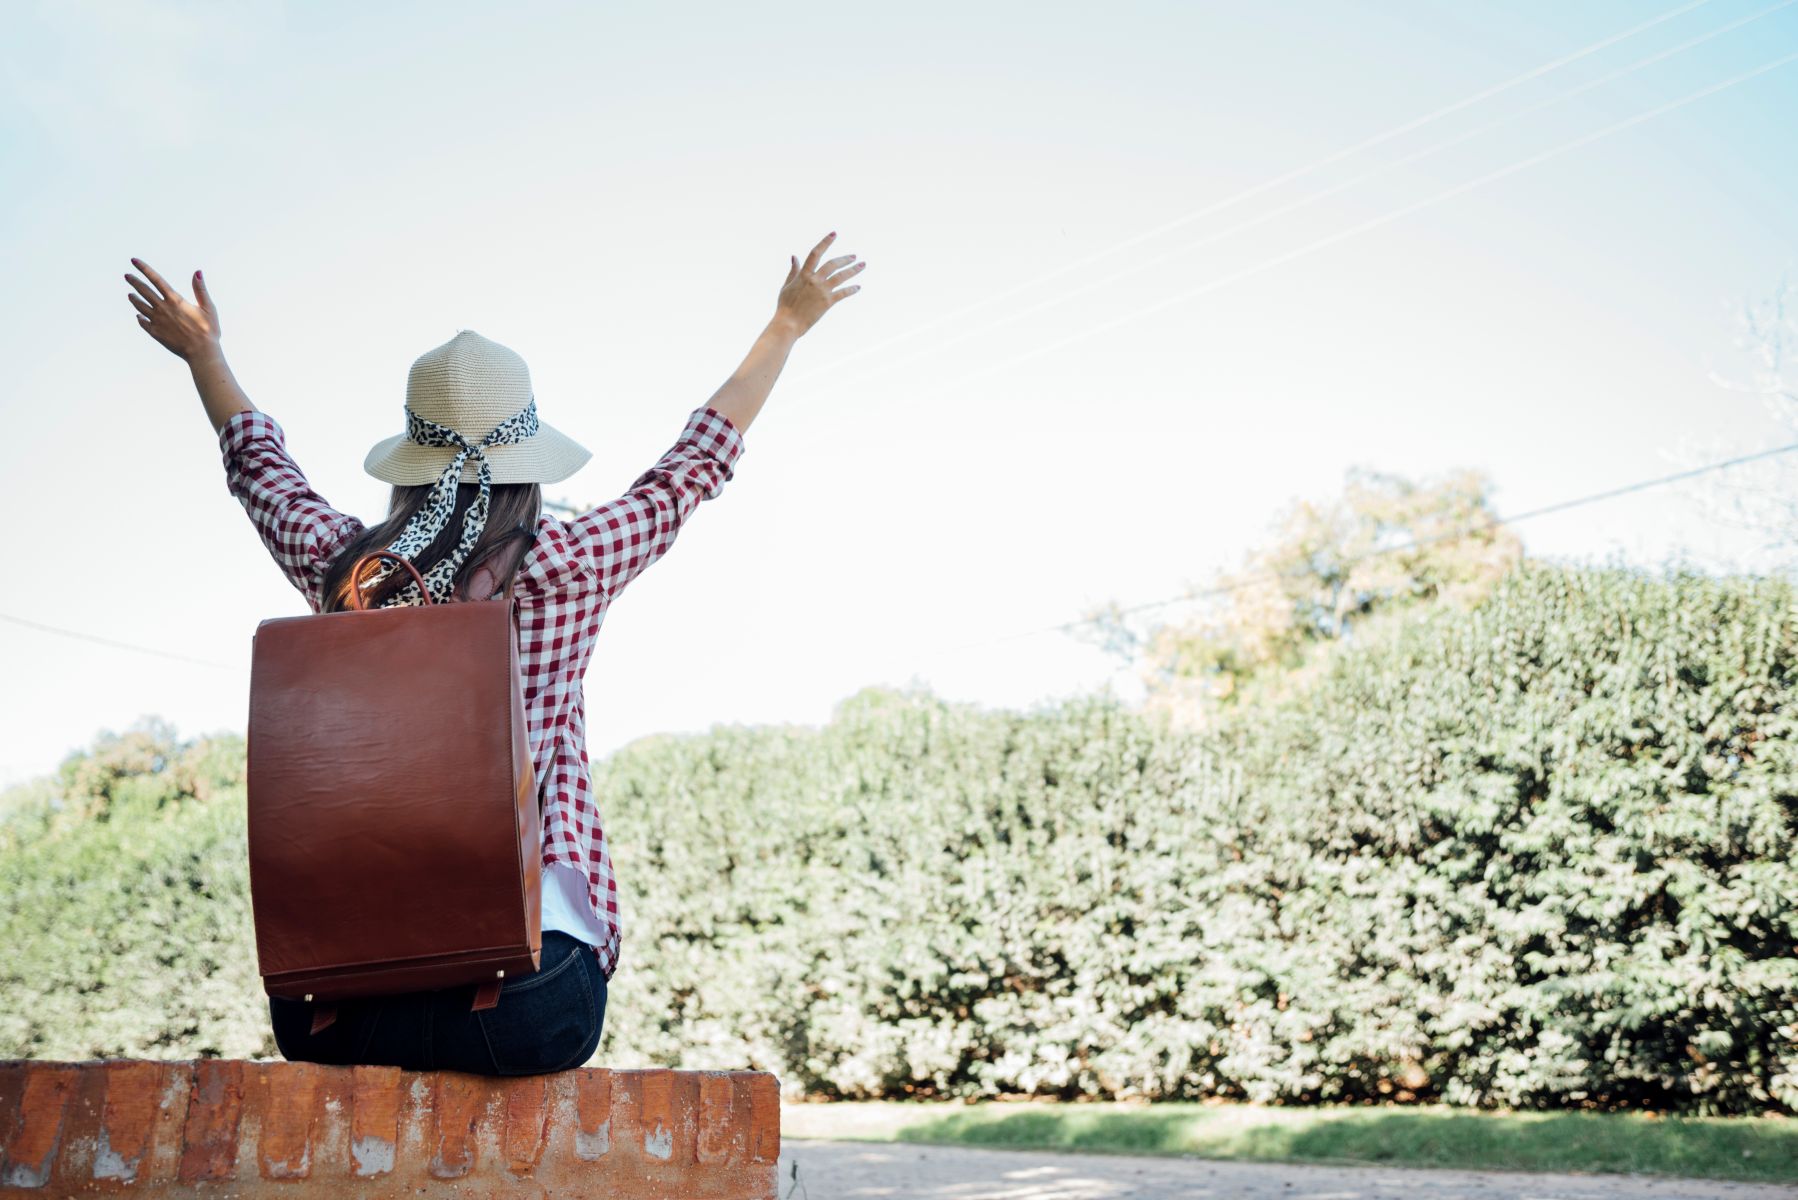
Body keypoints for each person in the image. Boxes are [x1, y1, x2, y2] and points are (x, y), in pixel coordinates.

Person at [123, 233, 866, 1074]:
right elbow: (689, 469)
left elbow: (263, 474)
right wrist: (785, 325)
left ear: (410, 464)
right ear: (526, 464)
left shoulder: (345, 572)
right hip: (528, 1005)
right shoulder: (568, 563)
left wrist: (202, 354)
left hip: (335, 1013)